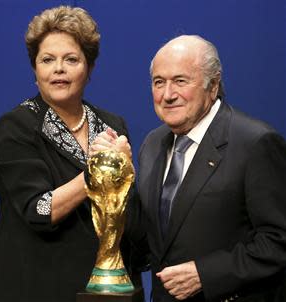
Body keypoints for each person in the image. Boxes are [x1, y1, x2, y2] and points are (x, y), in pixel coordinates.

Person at [91, 35, 286, 301]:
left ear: (213, 84)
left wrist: (205, 274)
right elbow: (148, 241)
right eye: (159, 82)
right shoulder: (152, 143)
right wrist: (119, 176)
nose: (168, 95)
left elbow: (278, 241)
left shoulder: (255, 142)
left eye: (180, 81)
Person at [0, 6, 147, 302]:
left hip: (108, 290)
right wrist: (102, 168)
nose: (58, 69)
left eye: (71, 59)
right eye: (47, 60)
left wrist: (126, 172)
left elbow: (127, 210)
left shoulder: (112, 125)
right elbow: (40, 210)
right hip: (35, 287)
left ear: (89, 69)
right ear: (35, 71)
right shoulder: (16, 127)